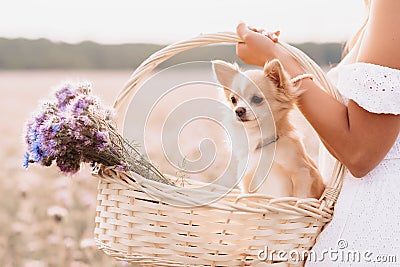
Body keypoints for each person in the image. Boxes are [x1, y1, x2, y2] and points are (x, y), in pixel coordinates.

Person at [235, 0, 400, 266]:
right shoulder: (373, 13)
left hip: (376, 234)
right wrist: (276, 54)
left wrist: (277, 61)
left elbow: (361, 151)